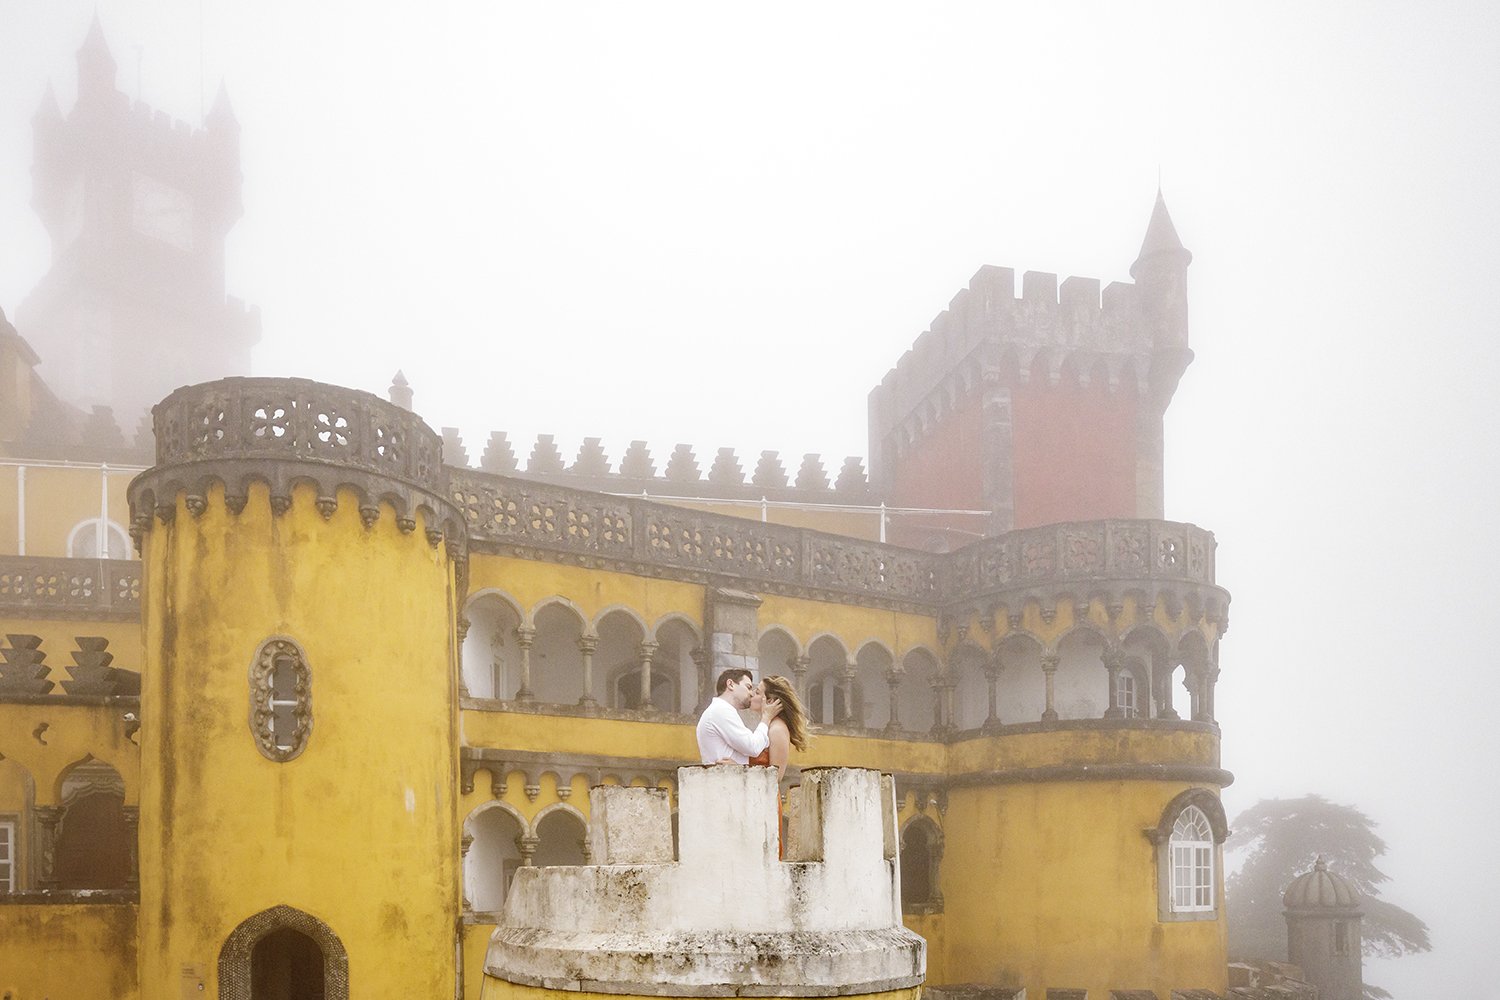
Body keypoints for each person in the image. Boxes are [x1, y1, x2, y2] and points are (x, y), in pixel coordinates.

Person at [697, 668, 782, 764]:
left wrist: (738, 766)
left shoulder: (721, 711)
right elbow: (753, 748)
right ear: (730, 684)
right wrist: (766, 718)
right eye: (748, 687)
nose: (751, 693)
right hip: (724, 777)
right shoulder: (720, 711)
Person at [746, 675, 809, 779]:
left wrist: (738, 768)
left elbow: (776, 777)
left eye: (757, 692)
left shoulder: (777, 729)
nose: (751, 694)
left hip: (766, 793)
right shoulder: (768, 725)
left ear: (770, 701)